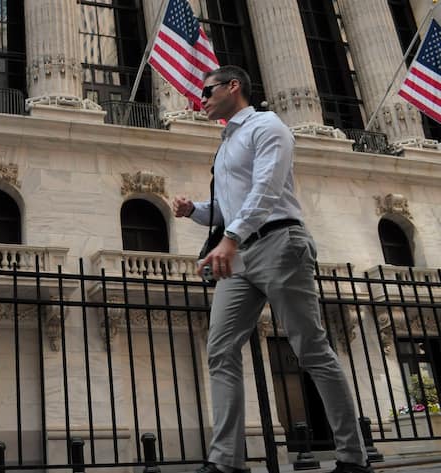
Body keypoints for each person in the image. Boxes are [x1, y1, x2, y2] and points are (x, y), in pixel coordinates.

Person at [172, 65, 371, 473]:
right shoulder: (226, 144)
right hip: (240, 255)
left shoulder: (268, 126)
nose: (202, 99)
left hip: (280, 244)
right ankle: (226, 461)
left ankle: (352, 457)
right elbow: (230, 208)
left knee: (310, 348)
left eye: (208, 91)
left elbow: (266, 189)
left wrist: (231, 238)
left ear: (233, 86)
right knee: (220, 349)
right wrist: (196, 210)